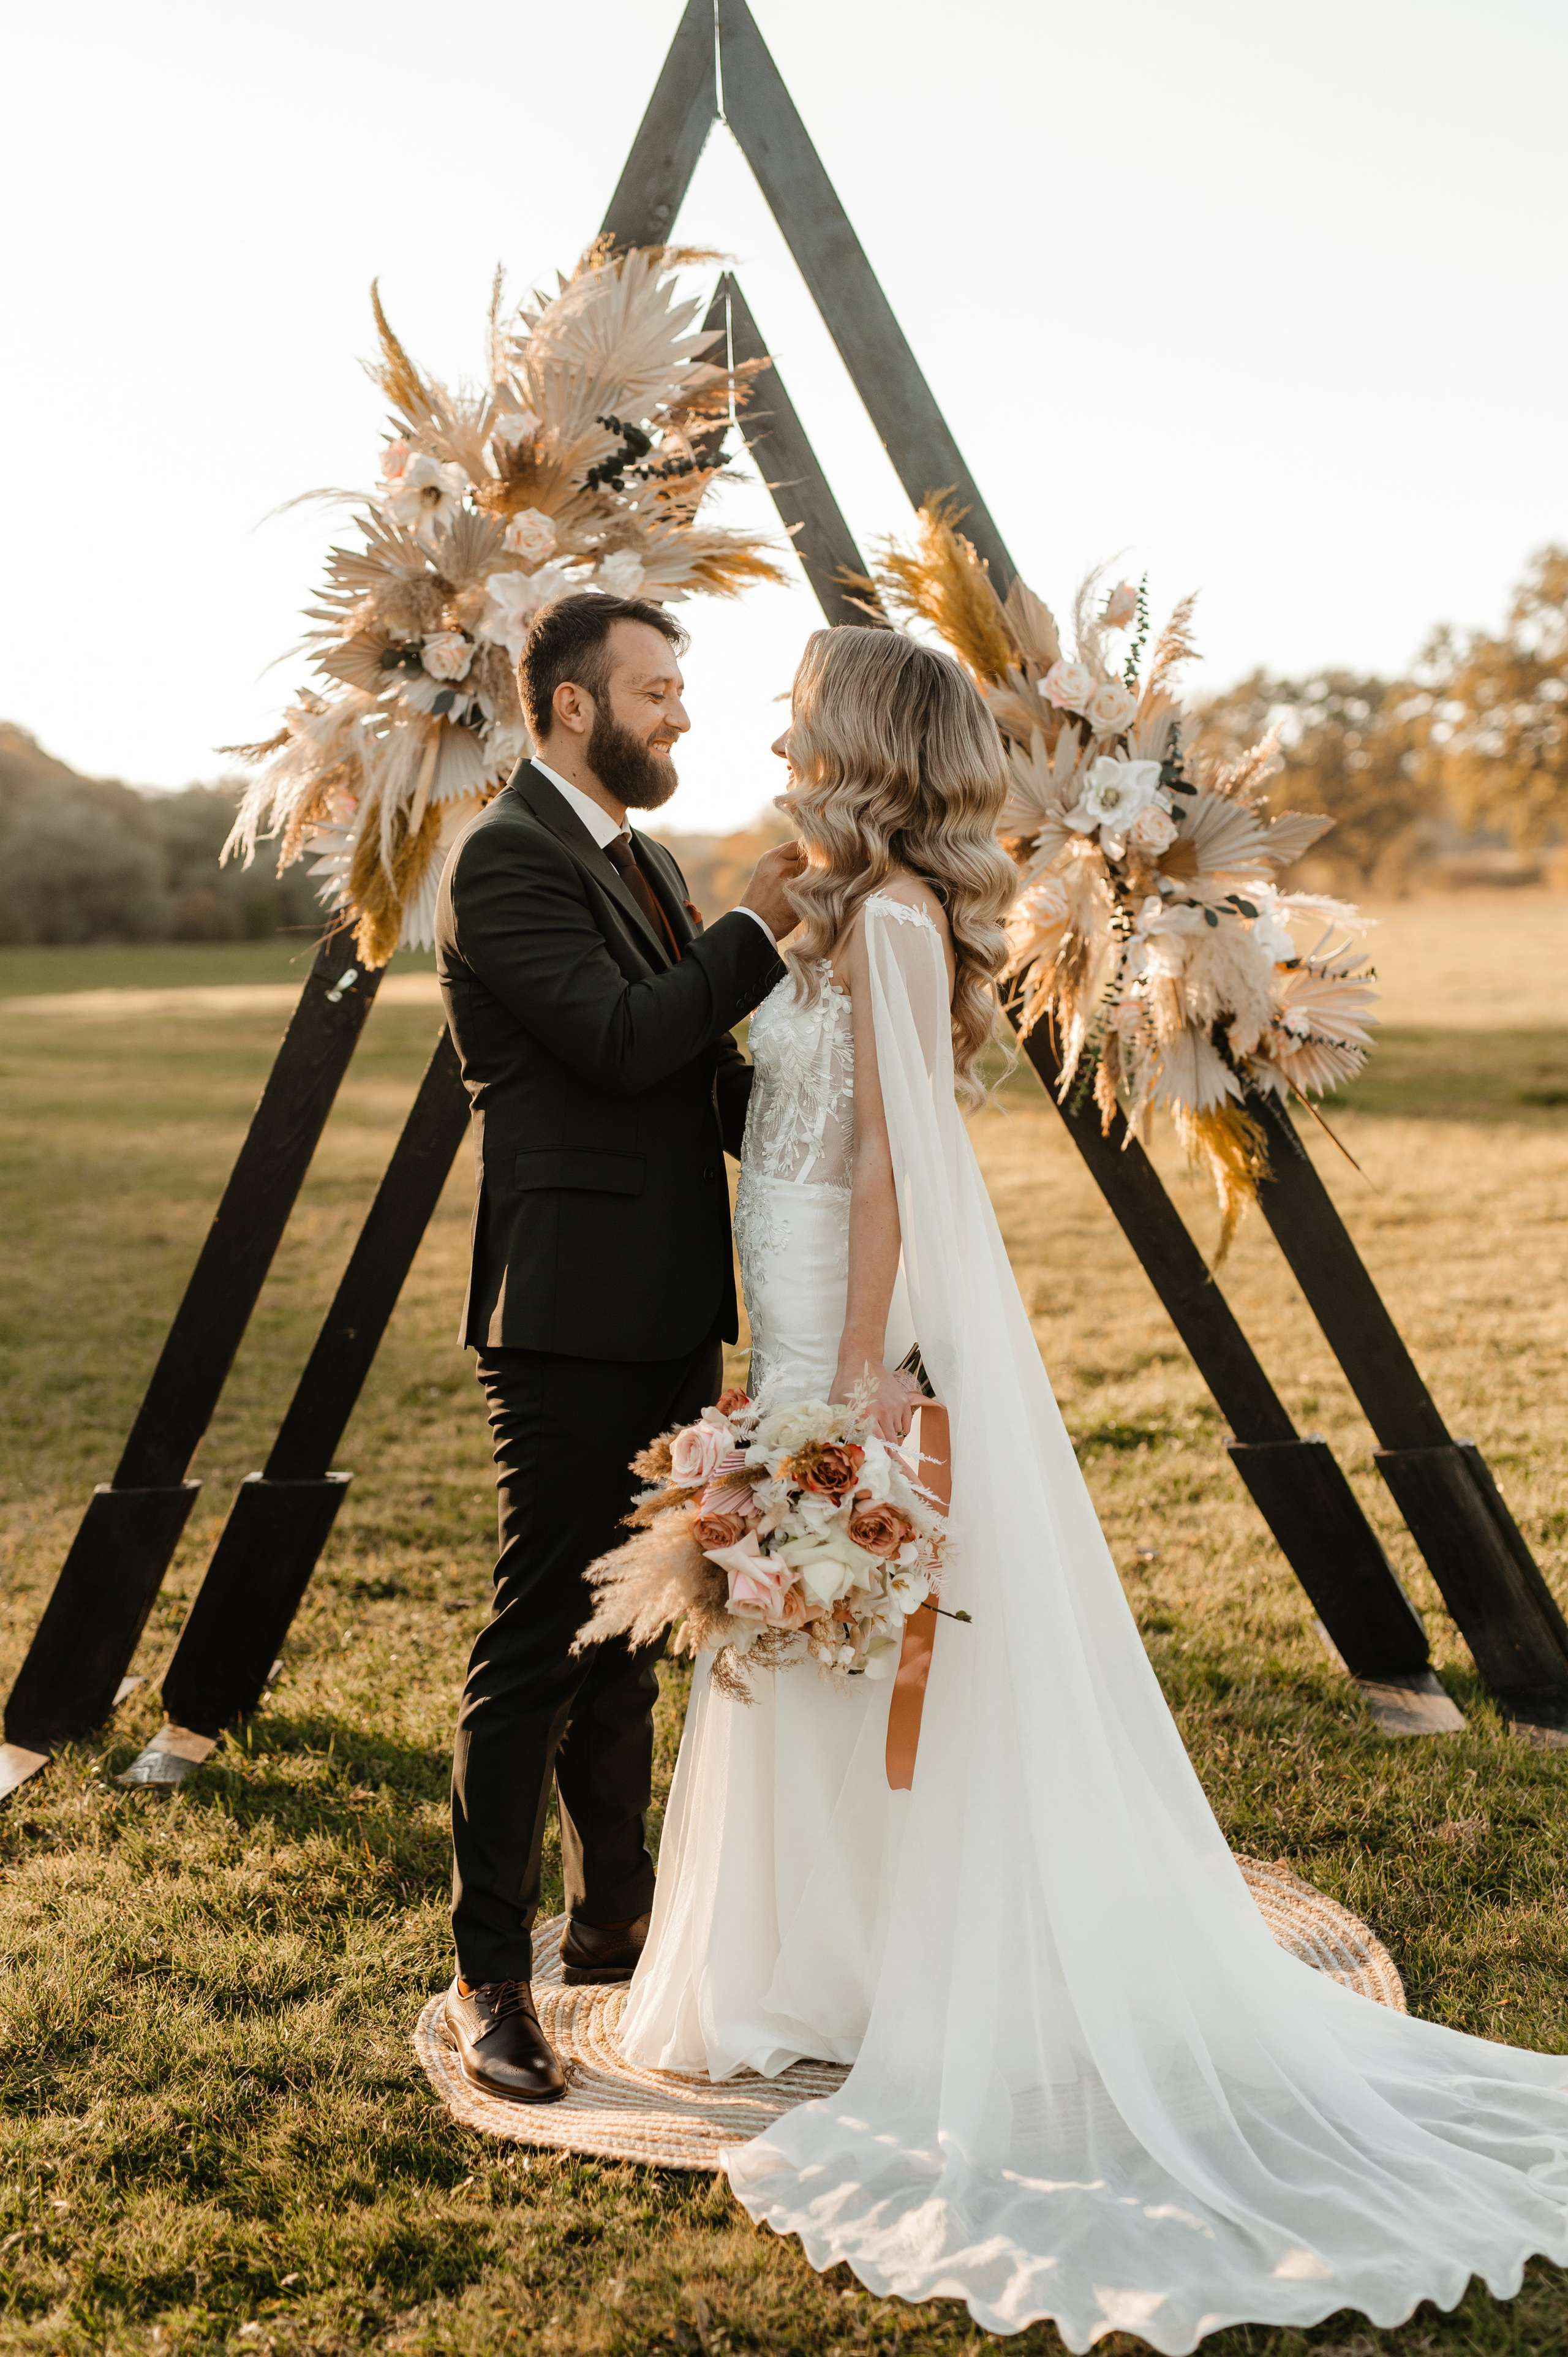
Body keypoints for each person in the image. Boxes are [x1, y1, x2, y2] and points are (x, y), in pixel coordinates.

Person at [617, 625, 1568, 2353]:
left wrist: (852, 1380)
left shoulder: (900, 925)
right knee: (821, 1630)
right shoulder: (835, 902)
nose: (772, 717)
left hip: (850, 1304)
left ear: (860, 737)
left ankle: (865, 1964)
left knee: (853, 1613)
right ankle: (822, 1959)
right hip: (793, 1285)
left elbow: (897, 1162)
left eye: (800, 701)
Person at [435, 591, 802, 2105]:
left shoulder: (639, 857)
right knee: (538, 1636)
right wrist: (756, 929)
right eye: (657, 690)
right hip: (567, 1310)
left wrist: (841, 1131)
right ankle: (486, 1972)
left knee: (634, 1633)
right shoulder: (503, 861)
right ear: (573, 705)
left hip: (667, 1302)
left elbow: (694, 1076)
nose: (681, 716)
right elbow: (620, 1039)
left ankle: (613, 1918)